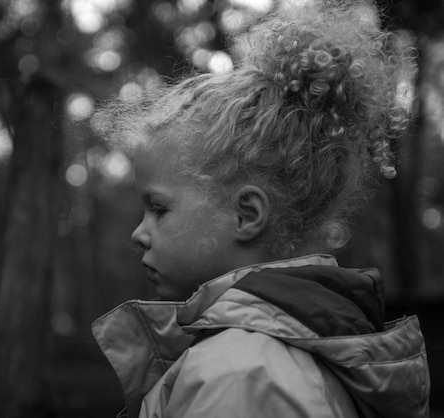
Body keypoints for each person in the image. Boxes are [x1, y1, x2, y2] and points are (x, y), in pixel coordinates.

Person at [90, 0, 430, 417]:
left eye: (159, 209)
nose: (138, 234)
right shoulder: (264, 353)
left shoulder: (240, 375)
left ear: (247, 215)